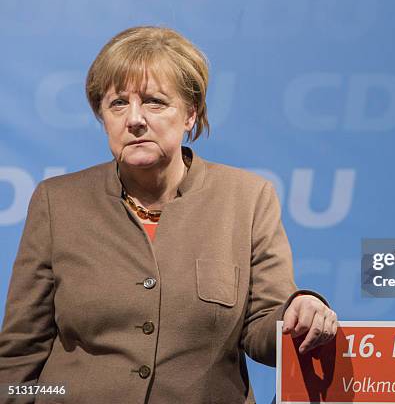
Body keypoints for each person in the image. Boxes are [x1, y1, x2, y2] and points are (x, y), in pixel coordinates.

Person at [0, 26, 337, 403]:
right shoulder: (57, 202)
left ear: (191, 113)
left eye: (155, 102)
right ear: (102, 116)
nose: (135, 119)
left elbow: (263, 333)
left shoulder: (248, 198)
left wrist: (298, 311)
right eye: (118, 104)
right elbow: (20, 355)